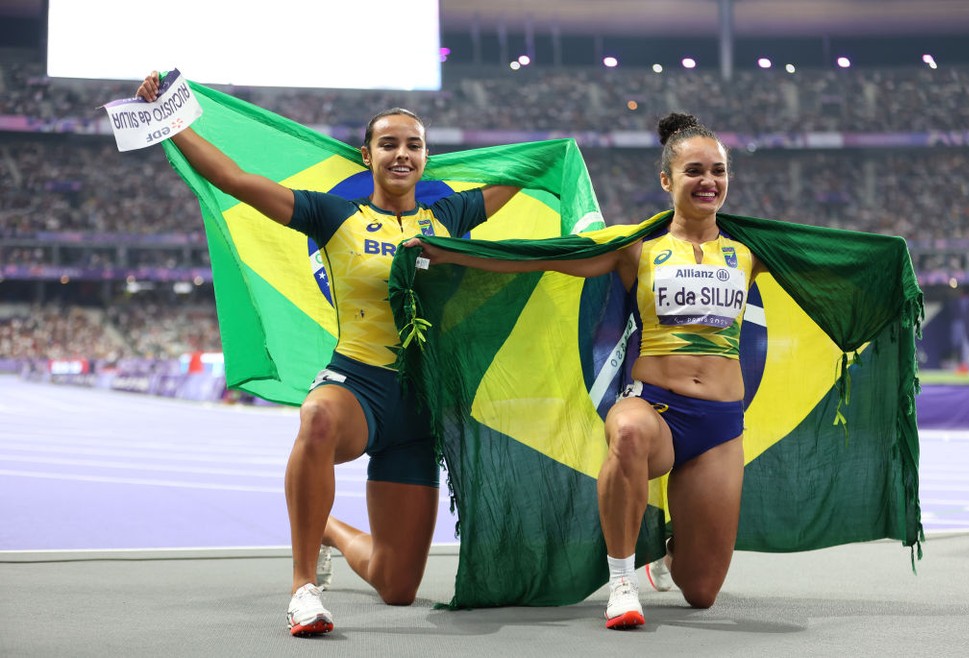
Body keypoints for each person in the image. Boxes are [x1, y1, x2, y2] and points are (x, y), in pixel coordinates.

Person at [135, 71, 520, 636]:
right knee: (315, 418)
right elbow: (234, 179)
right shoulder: (332, 214)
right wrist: (169, 119)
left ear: (426, 158)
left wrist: (559, 156)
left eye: (413, 144)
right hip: (358, 384)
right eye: (388, 143)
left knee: (397, 588)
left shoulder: (452, 216)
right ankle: (302, 587)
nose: (401, 153)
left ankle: (326, 529)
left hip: (420, 412)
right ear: (367, 155)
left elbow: (533, 169)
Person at [406, 112, 765, 630]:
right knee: (627, 429)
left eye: (719, 171)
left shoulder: (752, 250)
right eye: (694, 171)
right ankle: (622, 580)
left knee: (701, 592)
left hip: (720, 425)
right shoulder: (635, 248)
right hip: (657, 409)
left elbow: (828, 263)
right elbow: (546, 259)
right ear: (667, 180)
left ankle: (666, 548)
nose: (708, 181)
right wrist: (454, 253)